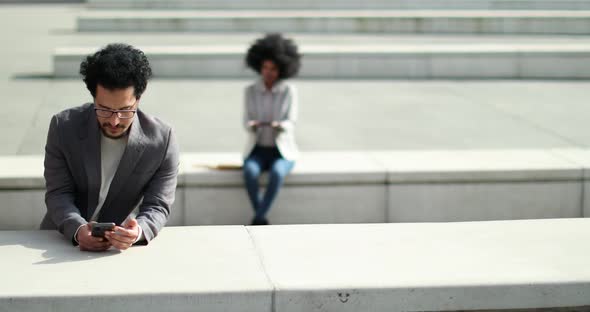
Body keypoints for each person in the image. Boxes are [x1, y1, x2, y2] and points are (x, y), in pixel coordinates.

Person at [40, 43, 179, 251]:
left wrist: (138, 231)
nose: (114, 121)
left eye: (125, 111)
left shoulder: (162, 139)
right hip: (60, 241)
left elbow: (158, 205)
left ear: (138, 99)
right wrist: (78, 230)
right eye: (104, 109)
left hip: (120, 246)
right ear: (93, 97)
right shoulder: (63, 127)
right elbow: (58, 193)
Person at [242, 33, 301, 225]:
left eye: (273, 68)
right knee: (250, 172)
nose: (268, 72)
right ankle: (261, 216)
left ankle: (259, 217)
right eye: (265, 67)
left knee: (277, 173)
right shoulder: (250, 90)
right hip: (258, 149)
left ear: (281, 69)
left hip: (281, 151)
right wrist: (253, 125)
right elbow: (246, 121)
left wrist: (280, 126)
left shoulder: (288, 91)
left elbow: (291, 121)